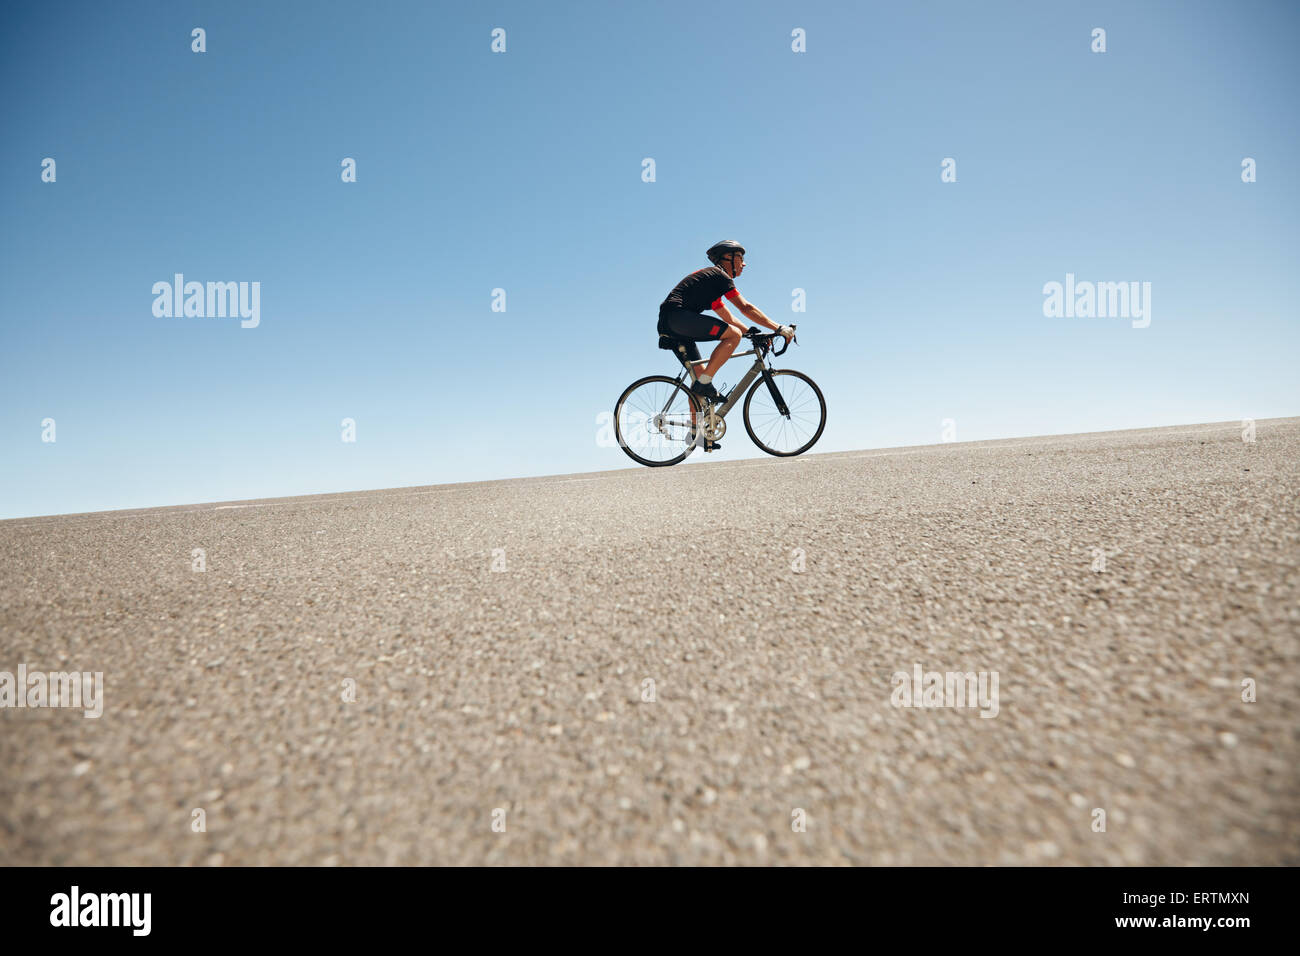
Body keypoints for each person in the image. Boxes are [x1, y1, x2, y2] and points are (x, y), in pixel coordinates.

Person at [657, 241, 794, 408]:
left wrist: (754, 335)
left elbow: (729, 318)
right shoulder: (719, 276)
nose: (744, 264)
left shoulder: (710, 284)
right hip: (678, 318)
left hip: (673, 323)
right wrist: (779, 328)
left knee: (698, 386)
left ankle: (696, 433)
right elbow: (745, 308)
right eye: (740, 258)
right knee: (733, 335)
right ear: (728, 258)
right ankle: (706, 384)